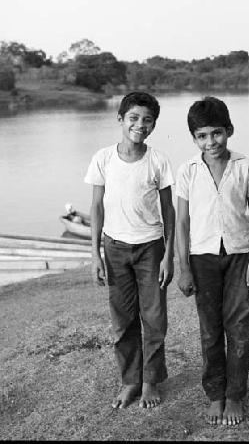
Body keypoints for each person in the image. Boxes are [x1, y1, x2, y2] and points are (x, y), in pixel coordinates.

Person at [84, 91, 175, 410]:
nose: (140, 125)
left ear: (153, 125)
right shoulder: (103, 158)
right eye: (134, 118)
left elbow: (169, 210)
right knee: (122, 320)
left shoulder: (158, 160)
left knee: (154, 318)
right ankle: (130, 381)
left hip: (150, 247)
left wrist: (169, 254)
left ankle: (150, 380)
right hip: (115, 247)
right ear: (120, 119)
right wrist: (96, 253)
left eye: (147, 120)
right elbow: (96, 206)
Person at [175, 96, 249, 426]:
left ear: (229, 130)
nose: (210, 142)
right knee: (210, 331)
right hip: (202, 259)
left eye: (216, 133)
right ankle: (215, 393)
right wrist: (183, 267)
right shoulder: (188, 170)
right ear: (194, 138)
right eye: (202, 136)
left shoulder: (244, 165)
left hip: (240, 256)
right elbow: (182, 222)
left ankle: (235, 395)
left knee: (239, 329)